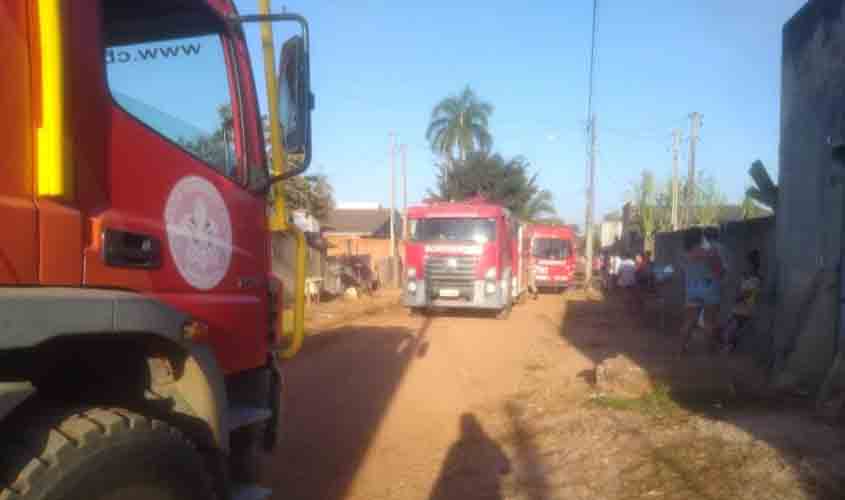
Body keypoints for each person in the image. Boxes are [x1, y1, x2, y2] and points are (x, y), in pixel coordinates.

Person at [679, 227, 725, 355]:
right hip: (709, 287)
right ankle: (710, 350)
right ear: (700, 237)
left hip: (692, 289)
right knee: (709, 322)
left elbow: (684, 272)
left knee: (689, 321)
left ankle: (682, 348)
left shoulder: (684, 254)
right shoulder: (709, 251)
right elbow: (719, 271)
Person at [720, 250, 762, 352]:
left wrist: (738, 297)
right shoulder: (746, 276)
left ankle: (730, 346)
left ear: (753, 264)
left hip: (746, 309)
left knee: (731, 329)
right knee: (730, 327)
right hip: (740, 308)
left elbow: (747, 294)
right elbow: (742, 291)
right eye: (747, 262)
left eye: (748, 263)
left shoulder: (756, 278)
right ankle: (730, 345)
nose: (746, 264)